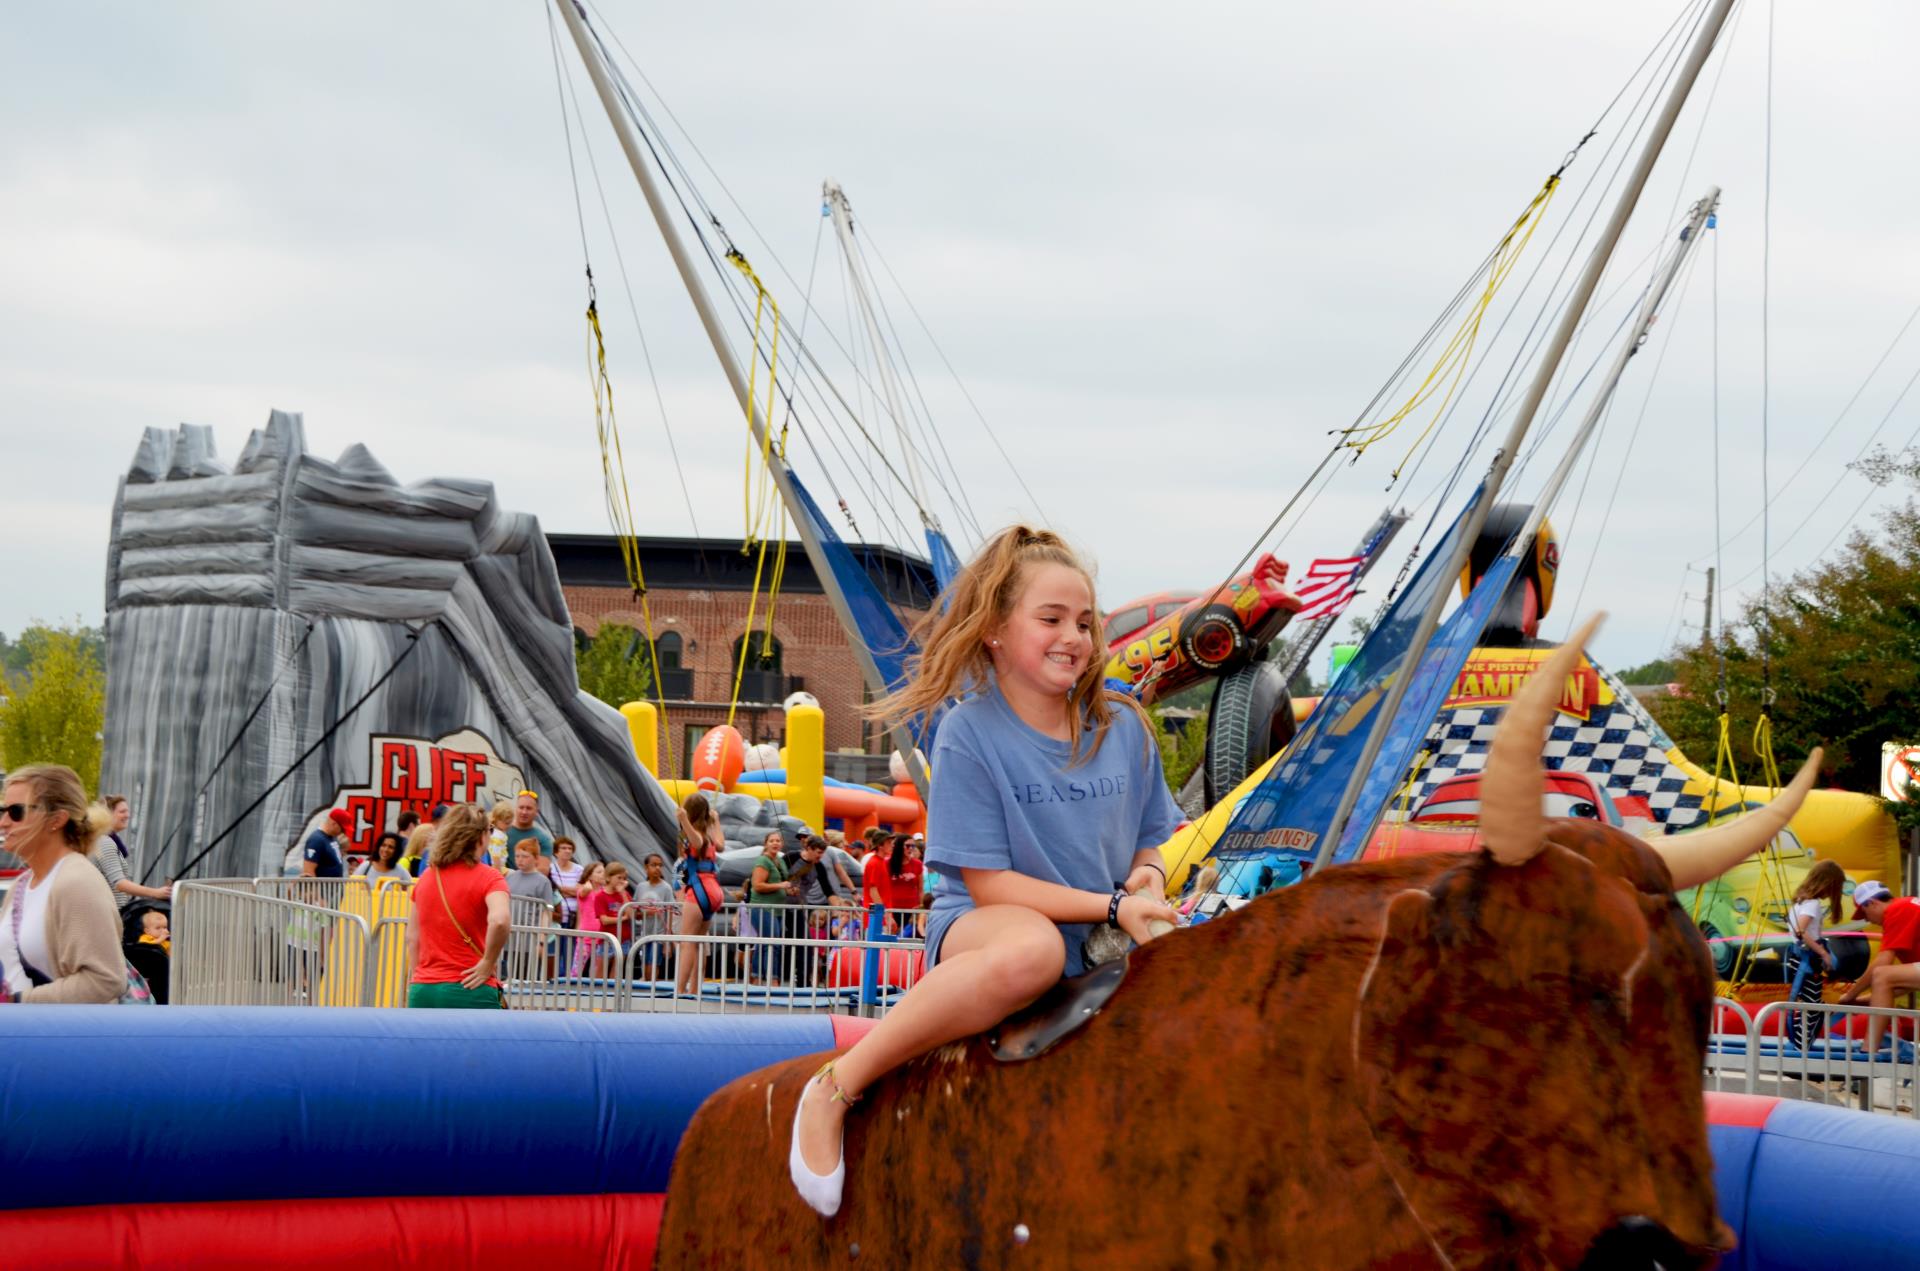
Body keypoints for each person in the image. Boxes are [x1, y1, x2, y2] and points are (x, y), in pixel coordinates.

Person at [788, 525, 1180, 1216]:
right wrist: (1117, 907)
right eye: (1052, 618)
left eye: (1085, 622)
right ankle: (837, 1084)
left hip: (1104, 928)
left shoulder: (1123, 725)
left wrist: (1148, 879)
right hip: (986, 924)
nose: (1075, 636)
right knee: (1029, 946)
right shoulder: (969, 731)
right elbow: (990, 885)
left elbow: (1153, 838)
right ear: (996, 629)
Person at [0, 764, 127, 1004]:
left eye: (16, 812)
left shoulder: (77, 882)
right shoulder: (21, 885)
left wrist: (19, 1002)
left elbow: (105, 980)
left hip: (59, 1037)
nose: (4, 822)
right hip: (23, 1033)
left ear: (56, 819)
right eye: (2, 810)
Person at [406, 804, 510, 1009]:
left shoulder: (427, 877)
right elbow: (500, 920)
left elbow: (412, 937)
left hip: (423, 989)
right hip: (469, 986)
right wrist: (488, 962)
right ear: (481, 836)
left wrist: (419, 978)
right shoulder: (490, 877)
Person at [1835, 880, 1920, 1054]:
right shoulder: (1907, 906)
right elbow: (1899, 987)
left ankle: (1869, 1049)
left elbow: (1882, 963)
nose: (1867, 920)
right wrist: (1859, 1001)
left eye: (1864, 913)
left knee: (1883, 974)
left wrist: (1851, 994)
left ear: (1871, 903)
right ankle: (1874, 1042)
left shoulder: (1896, 910)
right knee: (1886, 978)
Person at [1781, 860, 1846, 1048]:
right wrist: (1823, 953)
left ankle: (1802, 1040)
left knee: (1807, 1002)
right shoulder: (1812, 904)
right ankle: (1803, 1043)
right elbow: (1801, 931)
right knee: (1811, 1005)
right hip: (1808, 958)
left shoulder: (1799, 902)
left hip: (1797, 957)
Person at [675, 792, 725, 996]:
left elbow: (695, 842)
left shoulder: (697, 836)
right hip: (712, 889)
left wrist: (683, 819)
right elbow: (721, 844)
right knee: (697, 942)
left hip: (699, 889)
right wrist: (715, 821)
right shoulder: (711, 837)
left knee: (687, 942)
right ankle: (695, 988)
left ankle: (680, 989)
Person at [88, 799, 172, 911]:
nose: (127, 815)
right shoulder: (105, 843)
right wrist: (156, 893)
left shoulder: (102, 841)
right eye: (122, 811)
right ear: (107, 815)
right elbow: (119, 883)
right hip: (107, 914)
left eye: (127, 811)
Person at [746, 829, 800, 985]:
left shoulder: (780, 861)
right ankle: (769, 979)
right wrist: (780, 885)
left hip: (775, 909)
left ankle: (763, 979)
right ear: (766, 844)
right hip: (762, 907)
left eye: (778, 841)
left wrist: (789, 890)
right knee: (770, 944)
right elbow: (757, 886)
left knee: (766, 943)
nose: (775, 843)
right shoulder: (763, 861)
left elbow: (780, 884)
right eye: (772, 841)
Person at [632, 854, 678, 979]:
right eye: (653, 865)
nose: (657, 868)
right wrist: (645, 913)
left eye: (660, 865)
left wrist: (667, 941)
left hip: (658, 934)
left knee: (652, 967)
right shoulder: (641, 887)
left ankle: (651, 991)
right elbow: (635, 912)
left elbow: (670, 912)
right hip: (645, 933)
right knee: (645, 967)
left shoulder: (666, 888)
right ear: (646, 867)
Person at [569, 861, 610, 978]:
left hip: (601, 935)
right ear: (590, 875)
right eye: (599, 872)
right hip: (586, 935)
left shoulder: (604, 891)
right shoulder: (585, 889)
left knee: (596, 969)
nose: (603, 874)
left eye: (604, 872)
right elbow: (582, 892)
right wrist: (587, 884)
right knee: (577, 968)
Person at [502, 790, 555, 867]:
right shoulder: (501, 831)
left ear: (536, 811)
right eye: (521, 807)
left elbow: (543, 870)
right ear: (516, 808)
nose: (524, 812)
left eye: (529, 808)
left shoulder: (543, 839)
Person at [889, 833, 926, 936]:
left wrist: (922, 907)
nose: (911, 848)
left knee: (907, 937)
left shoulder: (917, 864)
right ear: (899, 846)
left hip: (912, 909)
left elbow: (920, 888)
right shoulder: (887, 863)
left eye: (913, 846)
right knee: (892, 937)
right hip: (892, 908)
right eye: (907, 846)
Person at [301, 810, 349, 879]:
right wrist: (315, 889)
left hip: (333, 888)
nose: (343, 832)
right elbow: (308, 872)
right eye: (342, 829)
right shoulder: (316, 840)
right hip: (323, 889)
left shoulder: (332, 837)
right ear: (334, 824)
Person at [550, 837, 586, 928]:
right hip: (556, 917)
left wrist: (560, 890)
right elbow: (550, 891)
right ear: (556, 852)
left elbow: (581, 892)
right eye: (564, 848)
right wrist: (572, 892)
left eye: (570, 848)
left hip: (573, 918)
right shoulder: (550, 868)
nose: (568, 851)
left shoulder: (579, 869)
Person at [485, 801, 513, 869]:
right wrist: (497, 871)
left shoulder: (492, 831)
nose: (509, 825)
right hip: (498, 867)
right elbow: (495, 855)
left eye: (510, 822)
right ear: (497, 820)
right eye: (507, 823)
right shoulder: (498, 836)